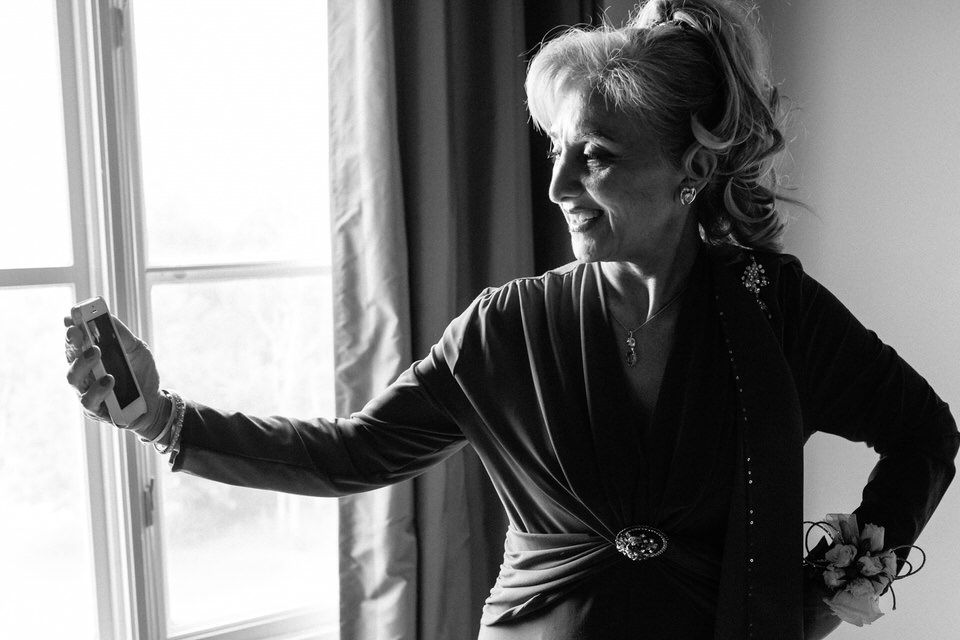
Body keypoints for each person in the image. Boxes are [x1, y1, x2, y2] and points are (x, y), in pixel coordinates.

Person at [65, 0, 958, 638]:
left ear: (690, 168)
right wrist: (161, 418)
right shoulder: (507, 327)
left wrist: (826, 588)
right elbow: (352, 454)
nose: (558, 185)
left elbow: (923, 432)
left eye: (595, 157)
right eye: (556, 150)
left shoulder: (776, 310)